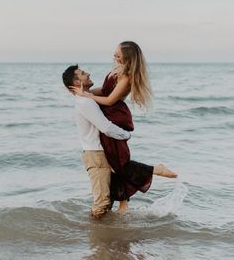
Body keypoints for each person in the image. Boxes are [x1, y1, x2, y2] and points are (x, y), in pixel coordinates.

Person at [70, 41, 177, 212]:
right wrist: (84, 93)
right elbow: (104, 91)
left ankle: (156, 170)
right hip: (107, 112)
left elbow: (110, 100)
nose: (114, 56)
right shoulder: (117, 70)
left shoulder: (127, 76)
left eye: (117, 54)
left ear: (126, 57)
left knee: (118, 160)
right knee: (113, 162)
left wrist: (86, 96)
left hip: (115, 114)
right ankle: (123, 202)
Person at [62, 64, 131, 219]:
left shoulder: (87, 99)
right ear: (77, 82)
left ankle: (107, 238)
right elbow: (106, 127)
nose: (88, 74)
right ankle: (96, 239)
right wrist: (126, 135)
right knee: (102, 203)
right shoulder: (85, 102)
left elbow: (110, 95)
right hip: (96, 155)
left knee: (109, 200)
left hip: (100, 154)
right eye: (83, 73)